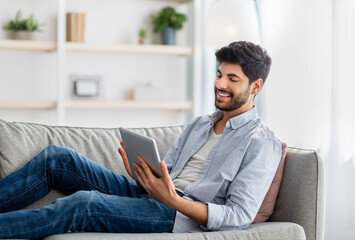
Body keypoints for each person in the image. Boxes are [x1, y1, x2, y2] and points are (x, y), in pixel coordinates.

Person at [0, 41, 281, 239]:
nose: (220, 84)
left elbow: (238, 215)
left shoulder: (261, 142)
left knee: (84, 204)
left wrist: (173, 201)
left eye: (233, 79)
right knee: (58, 159)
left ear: (256, 86)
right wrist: (141, 174)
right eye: (219, 74)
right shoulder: (199, 124)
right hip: (153, 196)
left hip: (180, 216)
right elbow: (166, 173)